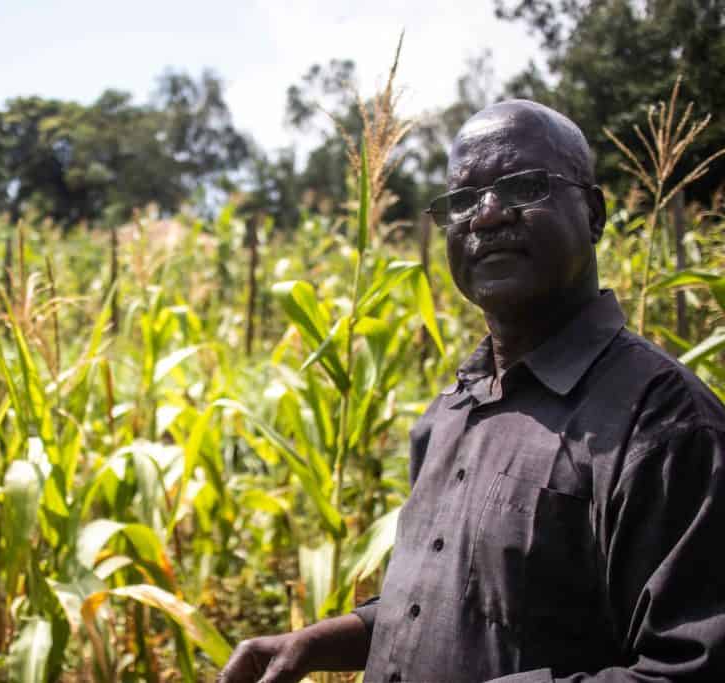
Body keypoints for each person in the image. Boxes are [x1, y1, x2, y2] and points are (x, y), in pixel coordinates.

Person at [218, 99, 725, 682]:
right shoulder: (452, 412)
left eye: (523, 186)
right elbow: (446, 608)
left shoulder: (664, 424)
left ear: (593, 212)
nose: (485, 215)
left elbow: (690, 668)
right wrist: (315, 644)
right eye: (462, 200)